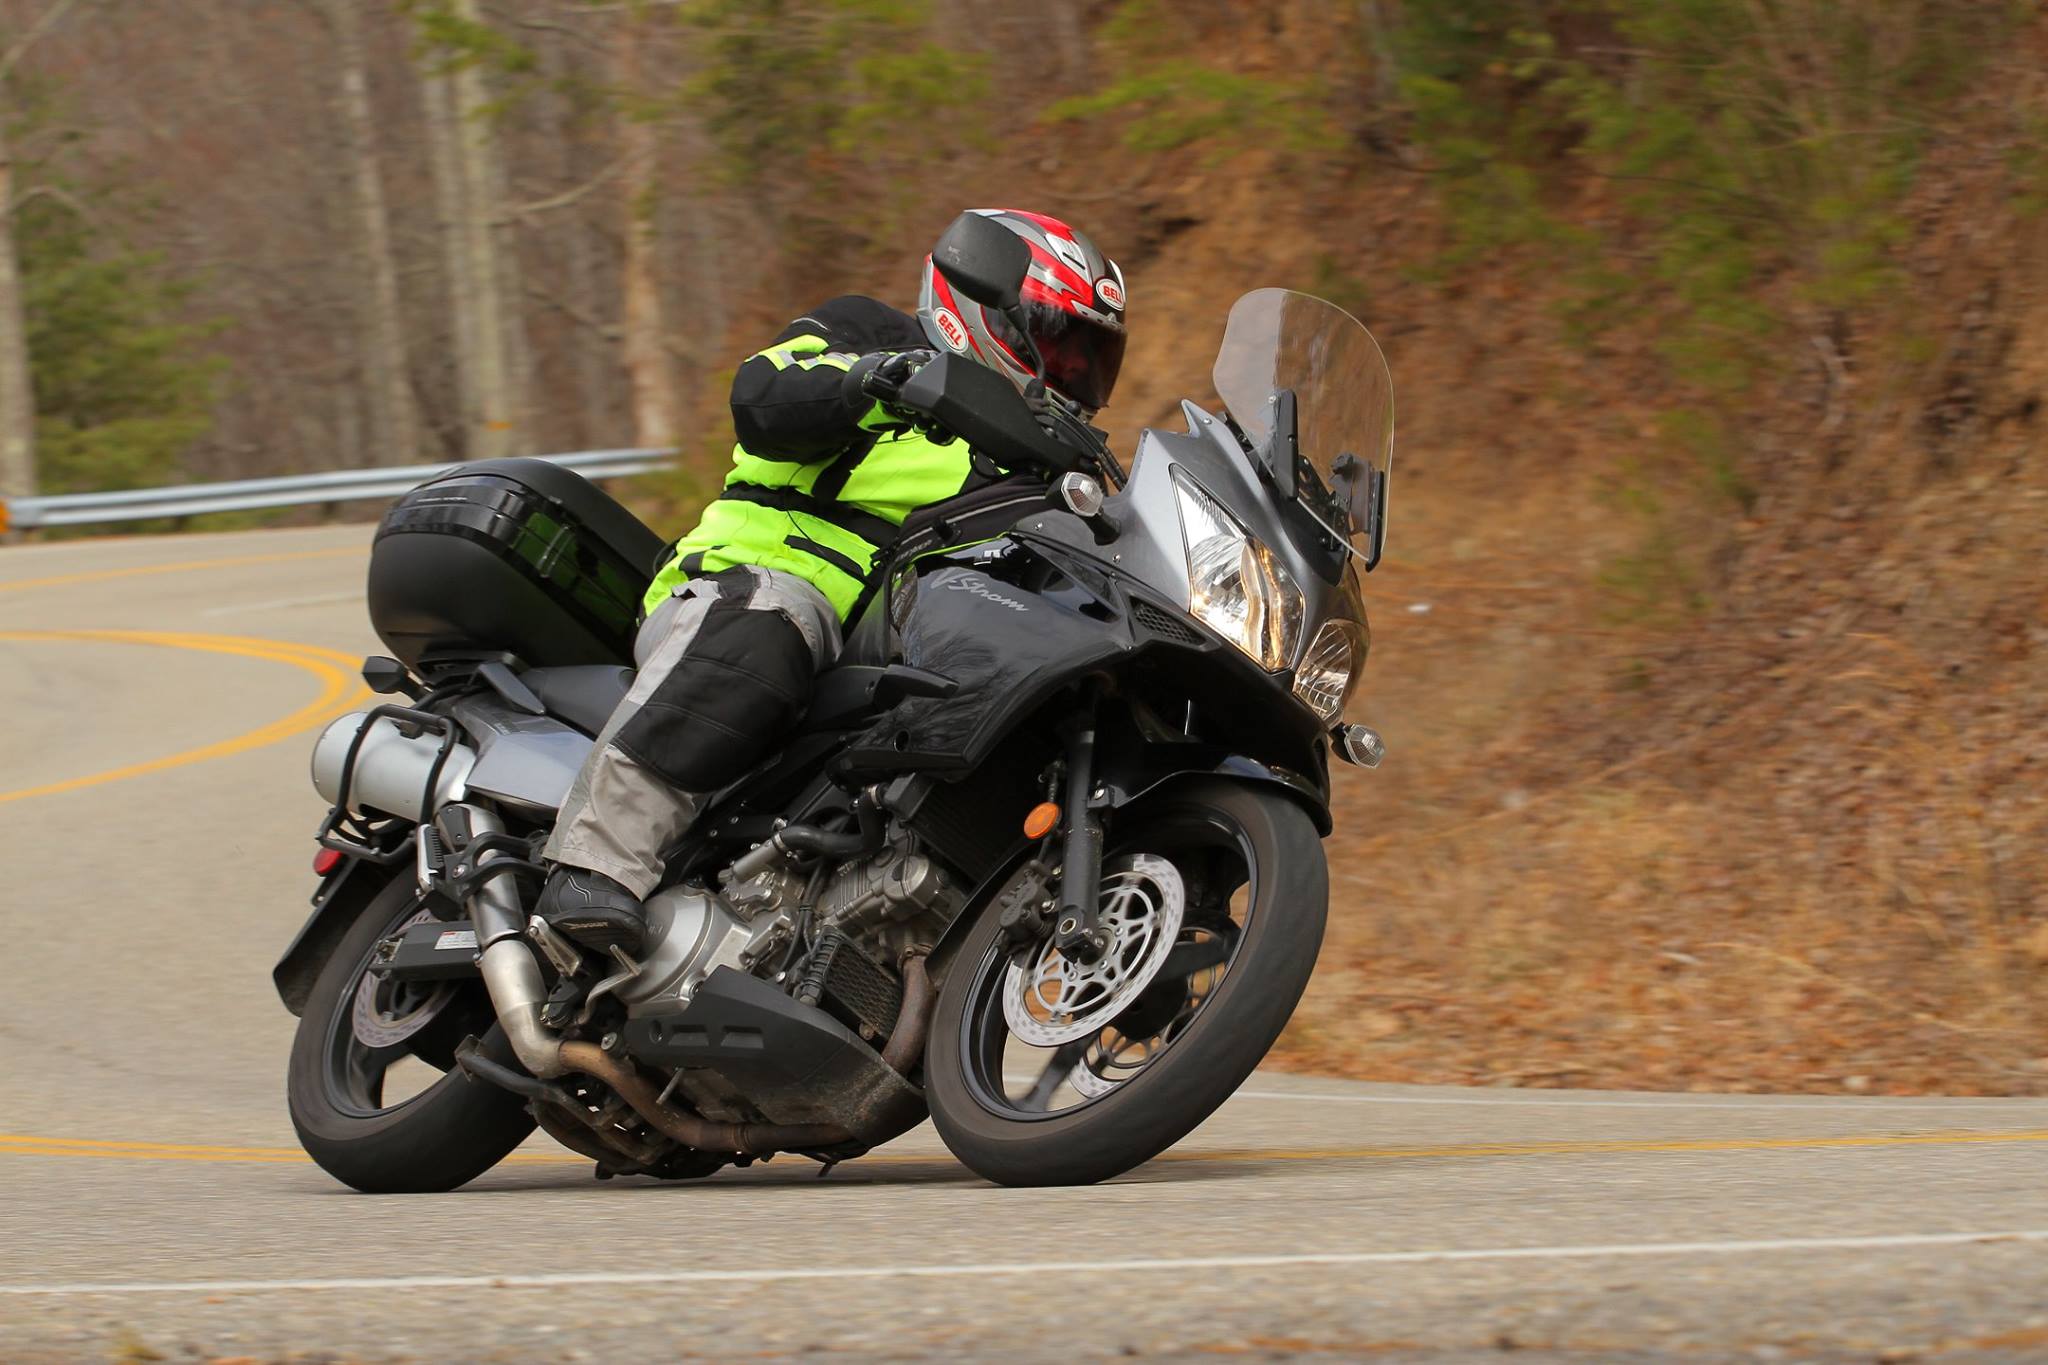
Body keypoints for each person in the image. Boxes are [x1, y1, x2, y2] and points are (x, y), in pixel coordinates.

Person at [536, 209, 1129, 957]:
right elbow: (763, 393)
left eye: (1089, 359)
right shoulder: (873, 334)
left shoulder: (1041, 466)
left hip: (885, 644)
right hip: (758, 579)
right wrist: (877, 381)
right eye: (1057, 346)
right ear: (986, 311)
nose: (1071, 374)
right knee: (777, 619)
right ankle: (594, 862)